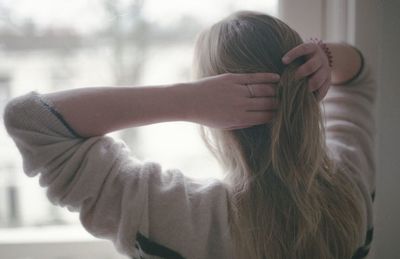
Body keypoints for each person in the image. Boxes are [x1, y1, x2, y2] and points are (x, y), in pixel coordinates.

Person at [3, 10, 375, 259]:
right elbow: (359, 77)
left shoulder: (179, 215)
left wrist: (185, 99)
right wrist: (325, 56)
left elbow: (30, 118)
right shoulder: (351, 184)